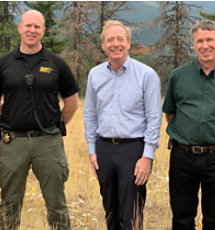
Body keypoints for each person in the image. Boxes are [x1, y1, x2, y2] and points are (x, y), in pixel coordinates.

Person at [0, 9, 79, 230]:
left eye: (37, 26)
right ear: (20, 28)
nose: (32, 30)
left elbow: (72, 102)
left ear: (43, 31)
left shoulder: (57, 64)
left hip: (48, 142)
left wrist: (55, 125)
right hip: (13, 142)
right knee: (9, 203)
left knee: (56, 203)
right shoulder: (3, 63)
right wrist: (9, 119)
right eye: (28, 25)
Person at [163, 19, 215, 230]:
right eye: (199, 41)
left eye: (209, 39)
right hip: (182, 157)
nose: (205, 45)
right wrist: (188, 135)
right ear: (194, 44)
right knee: (181, 218)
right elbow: (171, 113)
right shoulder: (178, 77)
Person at [83, 20, 162, 229]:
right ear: (103, 45)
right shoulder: (95, 75)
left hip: (134, 150)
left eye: (120, 39)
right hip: (104, 149)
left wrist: (147, 156)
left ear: (128, 43)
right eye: (110, 40)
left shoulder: (146, 75)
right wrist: (92, 150)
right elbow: (90, 114)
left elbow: (154, 118)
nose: (115, 44)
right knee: (110, 211)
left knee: (132, 214)